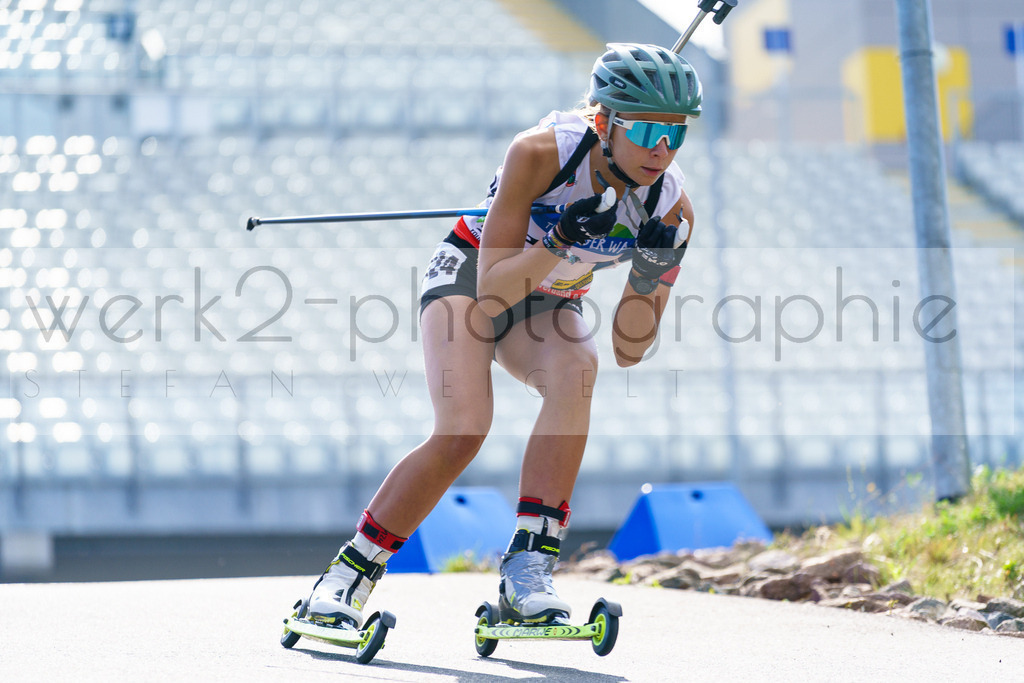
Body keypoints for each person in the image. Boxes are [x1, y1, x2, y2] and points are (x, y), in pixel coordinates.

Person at [305, 43, 702, 627]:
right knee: (464, 428)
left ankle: (528, 571)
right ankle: (344, 579)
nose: (661, 150)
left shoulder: (670, 209)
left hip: (551, 298)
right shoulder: (540, 152)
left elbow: (629, 348)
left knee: (579, 369)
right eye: (646, 129)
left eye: (677, 134)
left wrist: (651, 272)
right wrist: (562, 238)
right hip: (473, 276)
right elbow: (492, 293)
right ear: (603, 121)